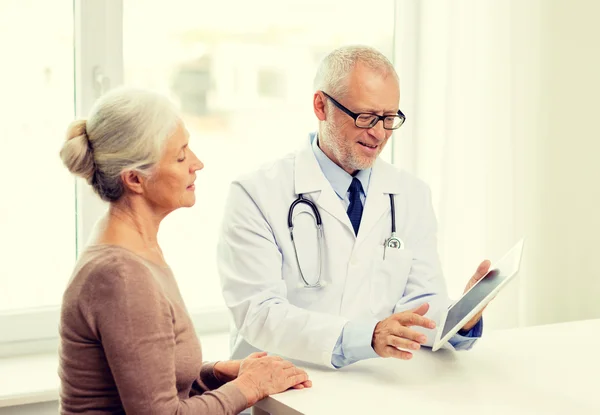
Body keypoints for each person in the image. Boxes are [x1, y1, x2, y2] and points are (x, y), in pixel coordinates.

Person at [217, 45, 491, 369]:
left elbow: (419, 304)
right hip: (275, 387)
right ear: (321, 106)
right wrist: (366, 336)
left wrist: (460, 318)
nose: (378, 133)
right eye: (366, 117)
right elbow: (259, 312)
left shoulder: (411, 194)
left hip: (368, 384)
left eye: (389, 118)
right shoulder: (256, 193)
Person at [58, 87, 310, 414]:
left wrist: (218, 372)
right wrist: (250, 386)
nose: (197, 163)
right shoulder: (122, 275)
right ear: (134, 179)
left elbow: (156, 378)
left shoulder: (134, 248)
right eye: (180, 156)